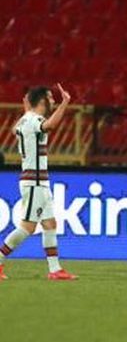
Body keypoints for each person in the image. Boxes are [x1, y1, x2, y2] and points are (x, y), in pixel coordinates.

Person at [0, 84, 77, 280]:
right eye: (51, 98)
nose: (53, 101)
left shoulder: (24, 120)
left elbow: (16, 129)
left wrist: (27, 105)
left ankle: (54, 270)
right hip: (34, 182)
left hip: (39, 181)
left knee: (50, 223)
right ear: (42, 101)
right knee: (27, 227)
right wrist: (65, 103)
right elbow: (50, 126)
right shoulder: (34, 120)